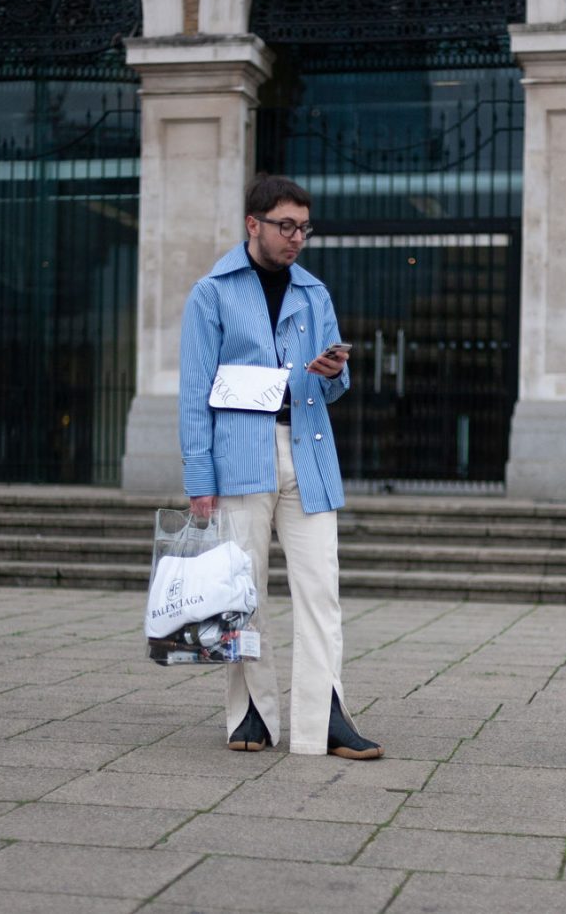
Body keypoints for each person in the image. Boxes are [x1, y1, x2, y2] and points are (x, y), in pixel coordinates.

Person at [179, 173, 383, 760]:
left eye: (303, 227)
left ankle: (328, 720)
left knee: (321, 591)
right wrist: (199, 481)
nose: (296, 237)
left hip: (310, 452)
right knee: (244, 595)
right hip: (239, 456)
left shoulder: (314, 293)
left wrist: (333, 370)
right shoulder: (212, 293)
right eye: (285, 226)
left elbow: (337, 383)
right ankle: (252, 713)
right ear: (254, 225)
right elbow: (195, 394)